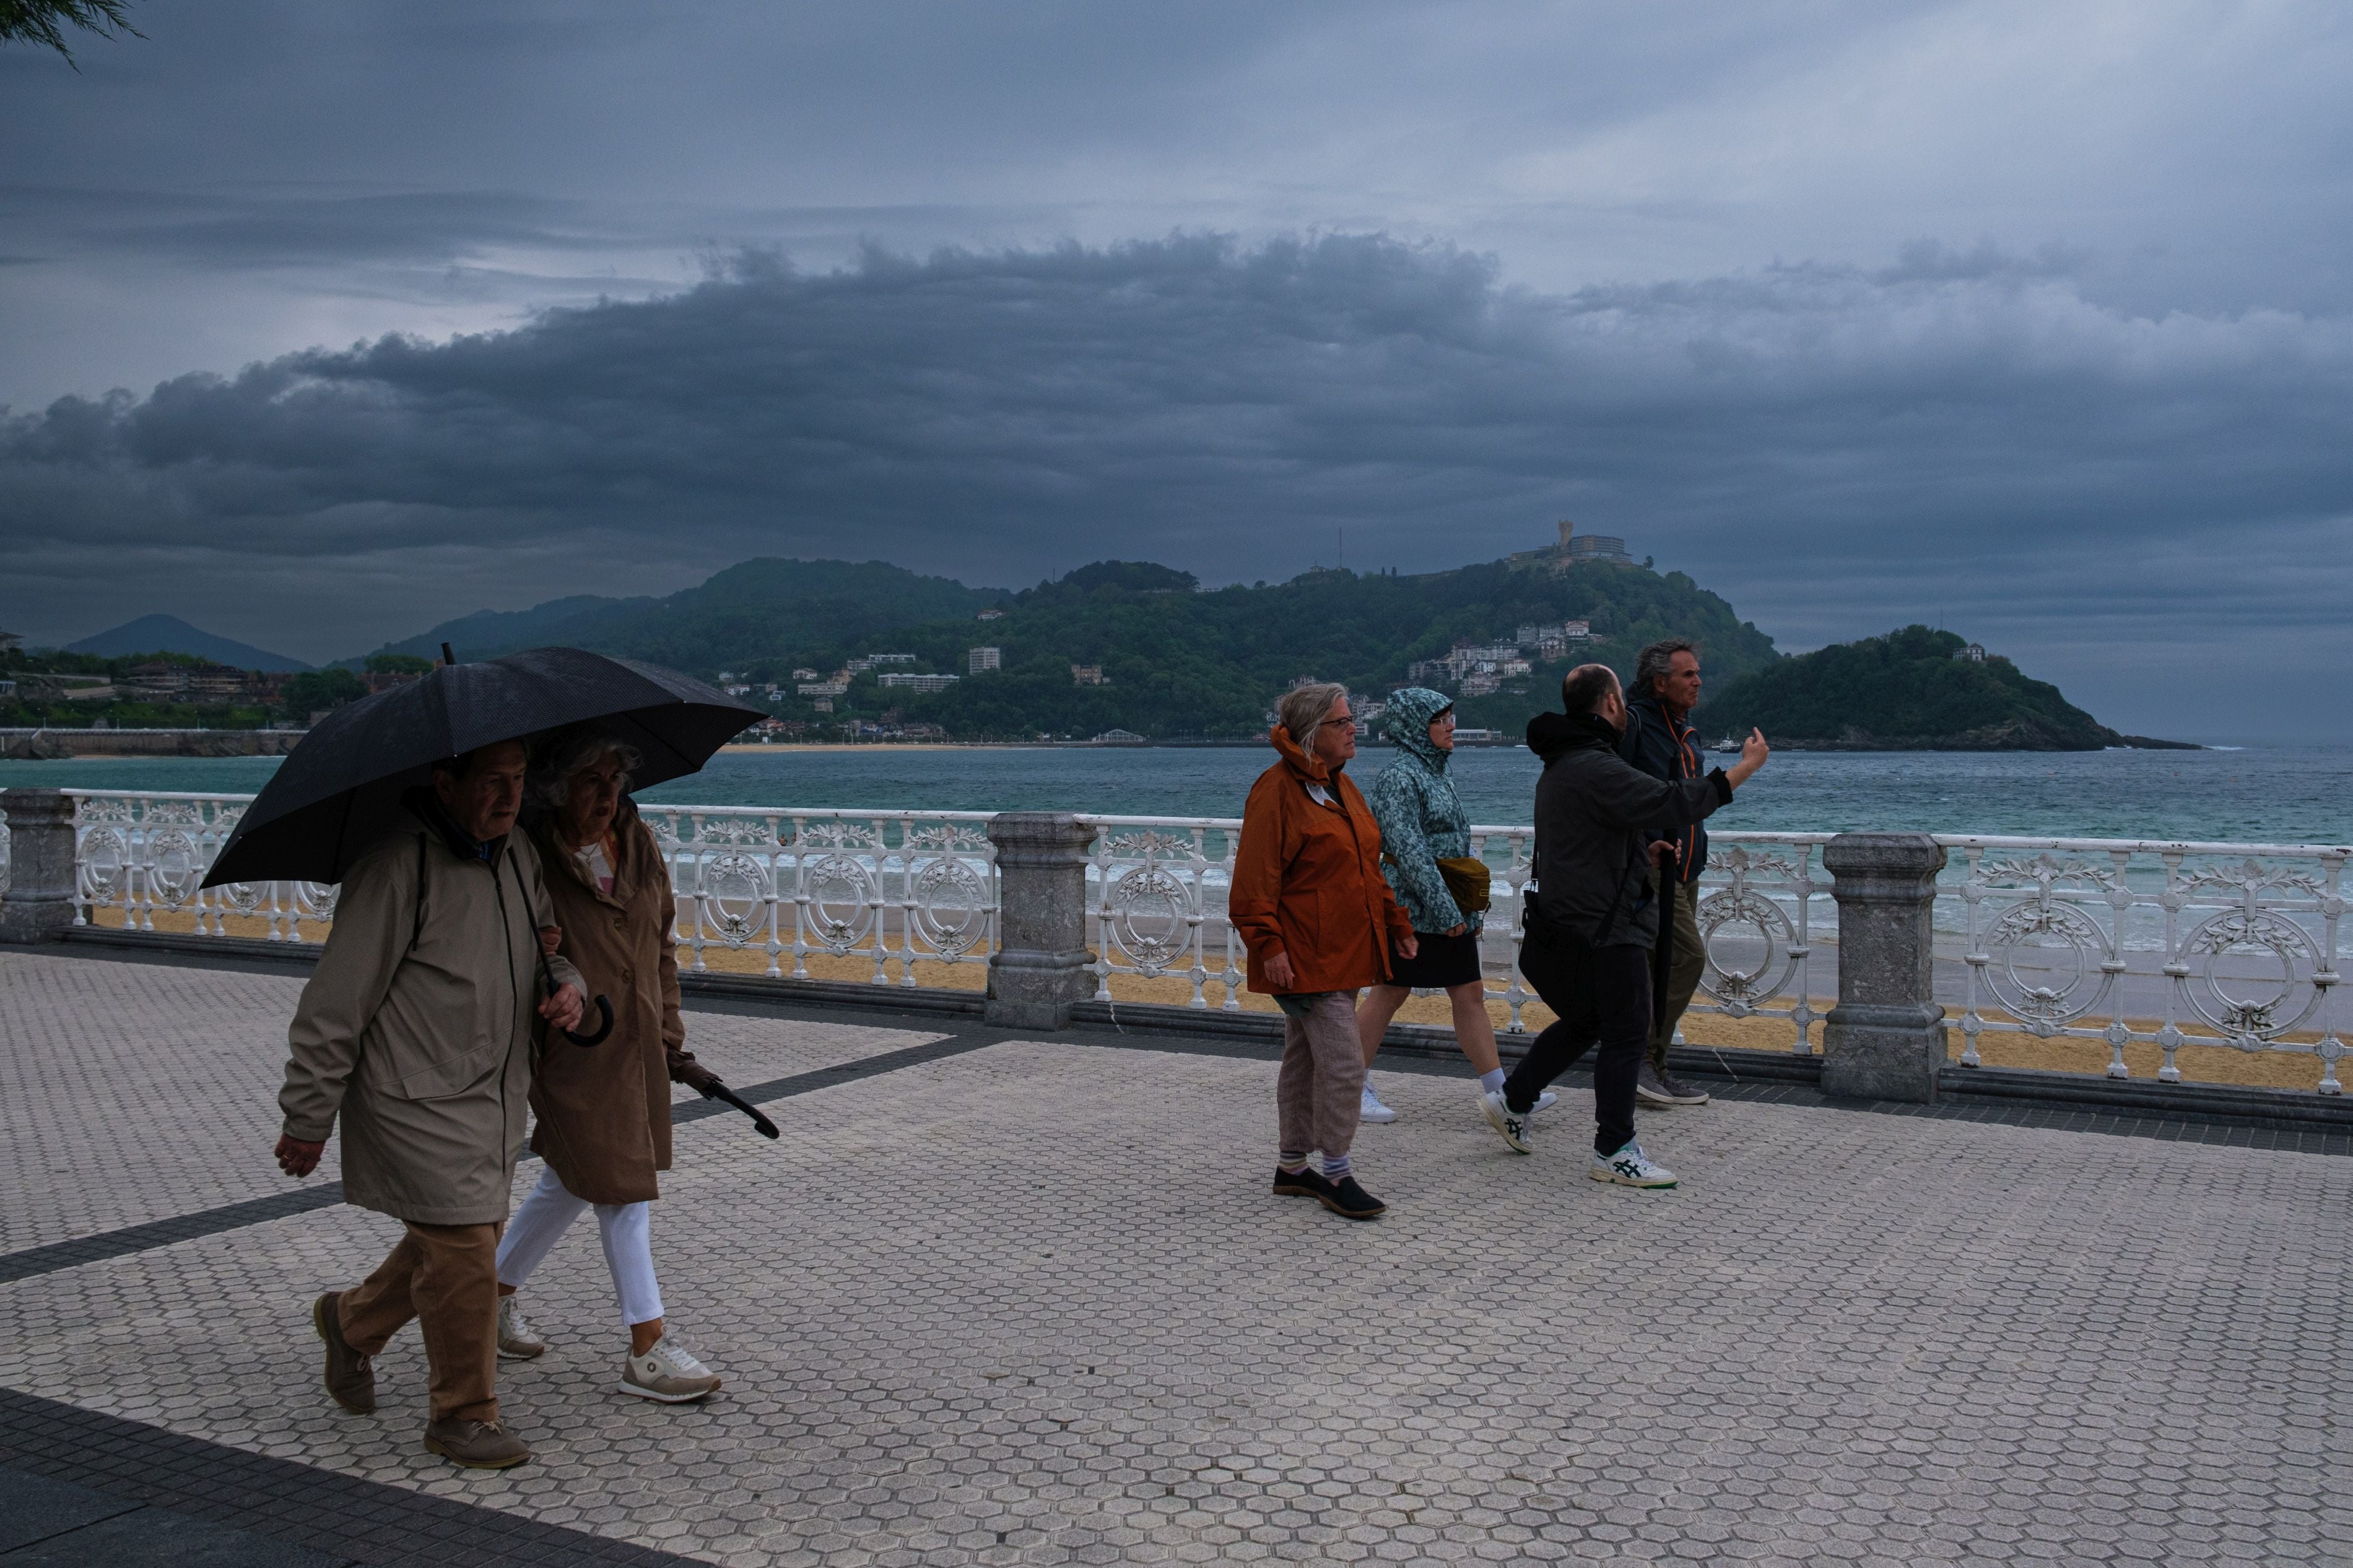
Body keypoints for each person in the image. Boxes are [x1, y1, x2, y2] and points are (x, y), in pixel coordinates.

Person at [276, 739, 587, 1470]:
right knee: (466, 1250)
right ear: (445, 782)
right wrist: (306, 1116)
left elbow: (549, 947)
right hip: (411, 1095)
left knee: (457, 1242)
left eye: (518, 781)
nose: (510, 798)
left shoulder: (515, 857)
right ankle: (462, 1414)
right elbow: (333, 1005)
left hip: (495, 1090)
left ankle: (349, 1323)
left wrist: (566, 984)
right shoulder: (395, 867)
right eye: (492, 782)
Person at [490, 726, 724, 1404]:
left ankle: (488, 1298)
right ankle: (647, 1347)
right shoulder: (527, 853)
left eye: (615, 781)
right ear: (557, 787)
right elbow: (510, 948)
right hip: (571, 1044)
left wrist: (671, 1040)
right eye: (590, 781)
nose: (605, 796)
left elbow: (661, 943)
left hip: (639, 1041)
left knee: (573, 1176)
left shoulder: (635, 841)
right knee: (620, 1183)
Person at [1478, 665, 1768, 1189]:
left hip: (1578, 914)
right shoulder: (1595, 765)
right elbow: (1672, 800)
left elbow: (1589, 838)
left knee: (1588, 1019)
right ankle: (1614, 1148)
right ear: (1612, 704)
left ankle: (1513, 1100)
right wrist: (1743, 769)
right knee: (1630, 1029)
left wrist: (1643, 850)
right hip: (1608, 921)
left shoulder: (1566, 762)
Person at [1231, 682, 1417, 1221]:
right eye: (1343, 722)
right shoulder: (1276, 791)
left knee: (1305, 1057)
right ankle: (1336, 1171)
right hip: (1304, 955)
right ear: (1315, 733)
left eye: (1352, 719)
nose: (1355, 727)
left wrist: (1397, 922)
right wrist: (1268, 947)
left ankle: (1293, 1166)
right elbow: (1253, 883)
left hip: (1346, 947)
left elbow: (1368, 866)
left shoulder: (1342, 787)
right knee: (1343, 1065)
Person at [1353, 687, 1552, 1122]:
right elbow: (1409, 852)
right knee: (1390, 990)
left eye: (1450, 717)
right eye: (1440, 719)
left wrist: (1454, 909)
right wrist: (1446, 913)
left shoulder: (1438, 772)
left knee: (1469, 992)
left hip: (1445, 905)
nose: (1451, 726)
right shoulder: (1399, 777)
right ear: (1415, 726)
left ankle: (1503, 1093)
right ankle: (1351, 1085)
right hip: (1412, 907)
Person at [1620, 638, 1716, 1109]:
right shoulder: (1635, 724)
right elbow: (1616, 793)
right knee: (1687, 957)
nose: (1698, 681)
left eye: (1697, 673)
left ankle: (1654, 1065)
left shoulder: (1687, 731)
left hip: (1687, 867)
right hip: (1653, 866)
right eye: (1687, 675)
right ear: (1661, 682)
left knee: (1661, 968)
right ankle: (1640, 1059)